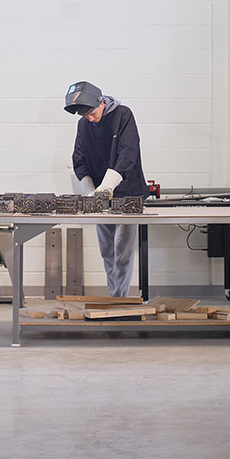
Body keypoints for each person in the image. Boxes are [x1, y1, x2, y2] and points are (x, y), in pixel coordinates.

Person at [64, 81, 146, 298]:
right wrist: (90, 191)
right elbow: (79, 159)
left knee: (122, 252)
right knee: (107, 251)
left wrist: (108, 185)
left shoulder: (123, 115)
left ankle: (119, 299)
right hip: (100, 197)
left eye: (91, 113)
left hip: (127, 194)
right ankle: (115, 296)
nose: (90, 119)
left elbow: (128, 154)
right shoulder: (84, 125)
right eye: (85, 116)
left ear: (101, 102)